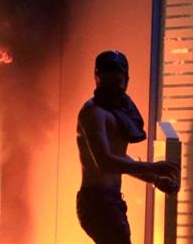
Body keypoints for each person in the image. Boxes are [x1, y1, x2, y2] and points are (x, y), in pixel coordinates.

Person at [76, 50, 179, 244]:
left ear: (126, 77)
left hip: (108, 201)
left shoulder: (115, 112)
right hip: (97, 203)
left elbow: (119, 158)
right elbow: (105, 162)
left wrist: (154, 178)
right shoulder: (93, 112)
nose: (113, 78)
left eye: (117, 73)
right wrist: (153, 168)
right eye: (107, 73)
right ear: (97, 76)